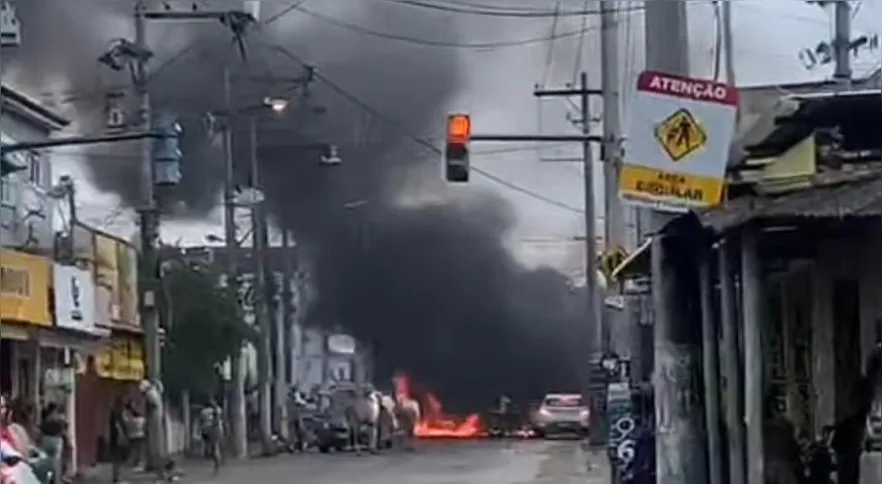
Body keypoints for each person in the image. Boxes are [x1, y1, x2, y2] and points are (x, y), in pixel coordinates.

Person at [40, 403, 66, 484]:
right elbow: (63, 428)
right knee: (56, 464)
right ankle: (56, 481)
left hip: (46, 439)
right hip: (56, 440)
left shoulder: (45, 418)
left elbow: (42, 428)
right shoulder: (59, 418)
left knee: (45, 462)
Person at [108, 397, 129, 484]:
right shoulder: (118, 413)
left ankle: (116, 477)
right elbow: (119, 425)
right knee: (118, 458)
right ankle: (117, 478)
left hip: (114, 437)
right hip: (117, 437)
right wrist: (122, 436)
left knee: (116, 458)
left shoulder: (114, 412)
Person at [124, 404, 145, 470]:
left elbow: (127, 425)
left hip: (132, 436)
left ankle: (132, 461)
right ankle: (138, 462)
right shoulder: (141, 420)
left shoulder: (130, 420)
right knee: (140, 450)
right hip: (140, 435)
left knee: (133, 450)